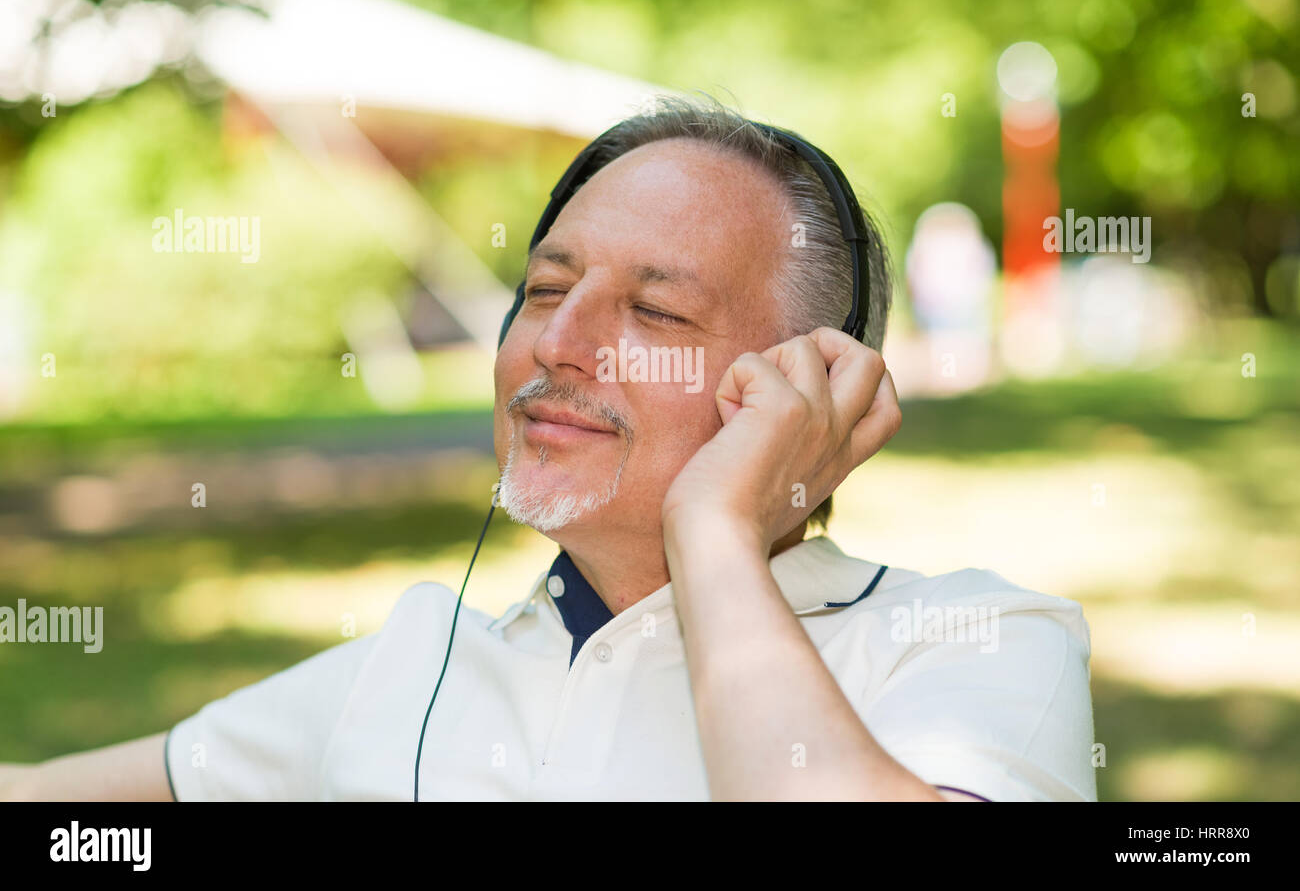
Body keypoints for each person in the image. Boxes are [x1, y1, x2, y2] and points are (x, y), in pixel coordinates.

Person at [0, 95, 1095, 801]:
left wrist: (711, 535)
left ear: (810, 385)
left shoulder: (975, 643)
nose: (556, 345)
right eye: (546, 289)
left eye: (655, 314)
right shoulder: (410, 671)